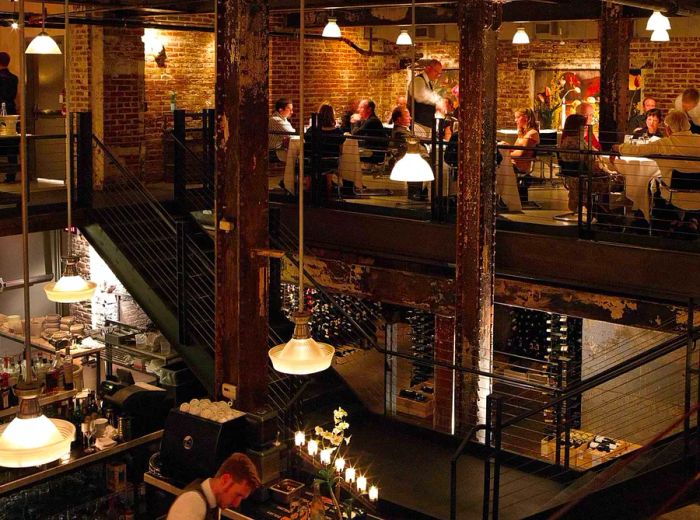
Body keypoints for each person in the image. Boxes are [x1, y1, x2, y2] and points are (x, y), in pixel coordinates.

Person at [616, 109, 700, 220]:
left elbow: (636, 150)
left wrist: (619, 147)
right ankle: (689, 221)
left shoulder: (665, 143)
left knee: (653, 184)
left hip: (673, 194)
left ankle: (657, 222)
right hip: (698, 194)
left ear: (668, 129)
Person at [166, 453, 261, 520]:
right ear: (225, 480)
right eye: (237, 495)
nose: (236, 504)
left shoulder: (213, 502)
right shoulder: (193, 502)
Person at [559, 114, 617, 213]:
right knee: (618, 179)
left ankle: (600, 212)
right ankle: (604, 214)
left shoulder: (566, 142)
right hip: (586, 179)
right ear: (578, 127)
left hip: (572, 179)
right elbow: (593, 165)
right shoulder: (580, 144)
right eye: (585, 126)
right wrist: (608, 171)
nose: (587, 129)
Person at [390, 105, 429, 201]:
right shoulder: (399, 132)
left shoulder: (403, 130)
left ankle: (421, 191)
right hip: (412, 158)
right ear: (399, 119)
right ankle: (418, 193)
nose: (410, 118)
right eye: (407, 116)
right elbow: (413, 141)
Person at [305, 103, 346, 190]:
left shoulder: (312, 130)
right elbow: (341, 151)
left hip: (314, 161)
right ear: (332, 115)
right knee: (329, 165)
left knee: (306, 162)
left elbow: (307, 146)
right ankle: (329, 188)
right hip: (331, 162)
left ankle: (308, 189)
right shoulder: (338, 132)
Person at [407, 59, 447, 138]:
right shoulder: (418, 80)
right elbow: (421, 95)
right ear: (428, 68)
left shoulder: (428, 83)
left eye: (439, 73)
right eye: (436, 72)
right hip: (418, 125)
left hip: (426, 124)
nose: (437, 75)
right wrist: (438, 100)